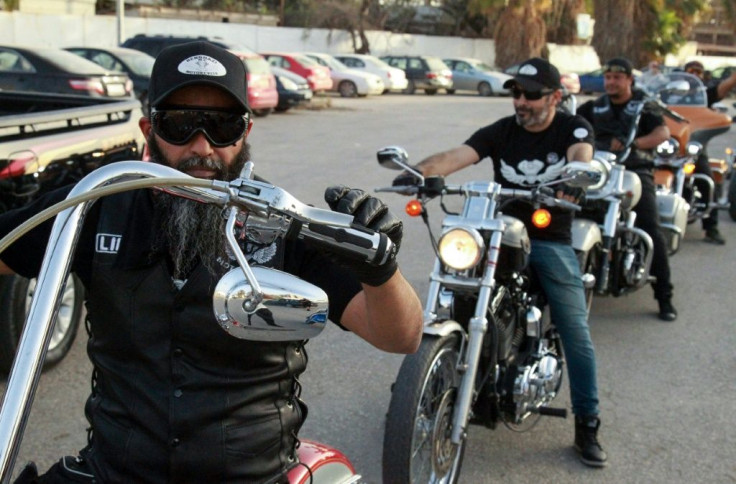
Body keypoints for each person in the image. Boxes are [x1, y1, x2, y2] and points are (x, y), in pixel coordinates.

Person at [0, 41, 423, 484]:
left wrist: (380, 268)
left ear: (245, 132)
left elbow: (402, 336)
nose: (201, 147)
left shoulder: (285, 221)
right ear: (149, 128)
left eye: (221, 127)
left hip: (248, 475)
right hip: (116, 471)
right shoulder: (98, 202)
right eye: (180, 124)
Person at [392, 57, 608, 468]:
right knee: (455, 291)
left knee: (575, 331)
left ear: (555, 97)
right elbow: (458, 155)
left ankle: (588, 423)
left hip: (548, 238)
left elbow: (582, 153)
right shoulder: (501, 131)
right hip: (495, 233)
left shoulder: (572, 127)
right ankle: (423, 383)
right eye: (516, 93)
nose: (521, 102)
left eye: (531, 95)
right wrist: (418, 172)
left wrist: (577, 174)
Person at [577, 57, 677, 322]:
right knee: (568, 213)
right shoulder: (592, 107)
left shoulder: (643, 104)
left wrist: (634, 145)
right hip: (599, 172)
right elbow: (571, 130)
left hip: (634, 171)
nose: (611, 82)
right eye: (607, 77)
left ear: (629, 80)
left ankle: (664, 296)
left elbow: (663, 133)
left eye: (617, 78)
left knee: (650, 227)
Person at [681, 59, 736, 245]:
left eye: (698, 73)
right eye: (690, 71)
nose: (693, 75)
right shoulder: (667, 94)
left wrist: (734, 77)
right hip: (669, 149)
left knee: (707, 180)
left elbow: (723, 88)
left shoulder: (704, 96)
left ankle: (711, 227)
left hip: (694, 149)